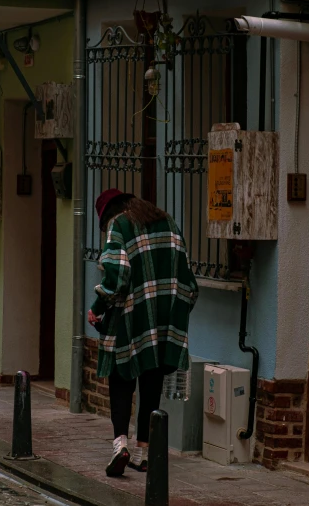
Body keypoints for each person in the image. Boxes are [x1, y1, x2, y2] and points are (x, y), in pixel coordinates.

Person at [88, 189, 199, 477]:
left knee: (121, 378)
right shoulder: (168, 222)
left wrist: (98, 306)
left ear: (108, 214)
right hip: (164, 320)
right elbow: (187, 277)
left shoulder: (119, 225)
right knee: (152, 381)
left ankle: (120, 445)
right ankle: (143, 453)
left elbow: (117, 274)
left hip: (130, 317)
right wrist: (176, 312)